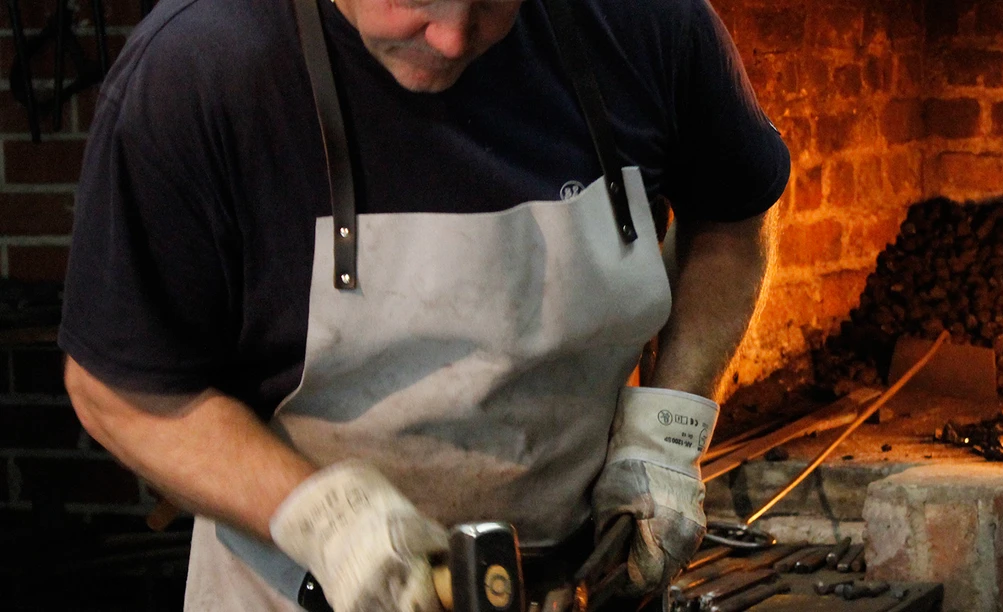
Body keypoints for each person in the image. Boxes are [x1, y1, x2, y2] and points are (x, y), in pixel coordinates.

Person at [57, 0, 790, 606]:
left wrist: (668, 429)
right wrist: (330, 520)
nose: (453, 37)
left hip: (576, 584)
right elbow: (119, 392)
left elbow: (731, 213)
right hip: (295, 591)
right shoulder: (198, 68)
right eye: (416, 1)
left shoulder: (645, 21)